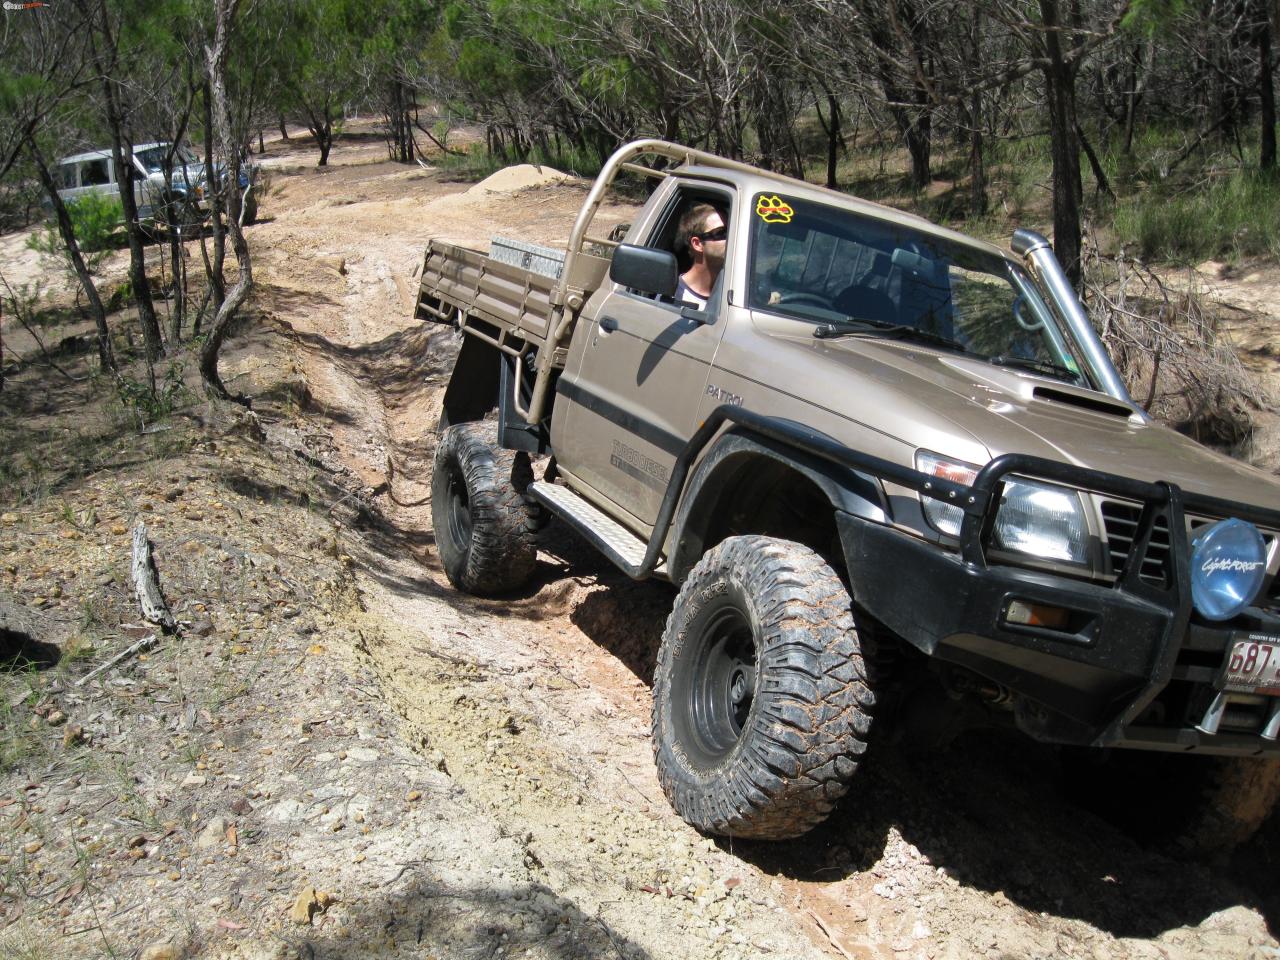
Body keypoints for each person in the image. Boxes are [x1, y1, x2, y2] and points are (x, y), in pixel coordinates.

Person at [674, 203, 727, 308]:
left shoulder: (736, 291)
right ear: (697, 244)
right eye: (720, 233)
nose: (729, 237)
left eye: (731, 231)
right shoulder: (673, 296)